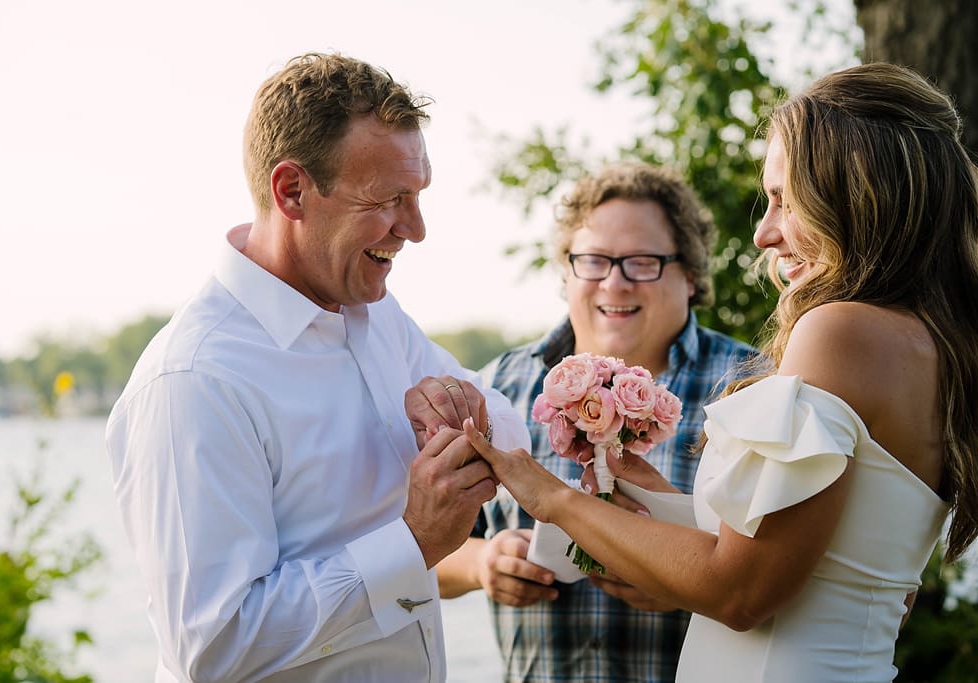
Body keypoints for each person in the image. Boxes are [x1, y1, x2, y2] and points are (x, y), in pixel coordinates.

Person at [459, 61, 978, 682]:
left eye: (785, 200)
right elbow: (823, 566)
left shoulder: (840, 331)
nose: (763, 233)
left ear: (855, 196)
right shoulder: (931, 340)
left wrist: (553, 500)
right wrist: (663, 505)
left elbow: (740, 592)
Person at [105, 52, 529, 683]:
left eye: (418, 196)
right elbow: (213, 647)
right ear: (292, 191)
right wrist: (412, 544)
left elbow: (506, 422)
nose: (415, 229)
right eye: (391, 199)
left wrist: (464, 405)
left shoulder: (375, 313)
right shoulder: (193, 382)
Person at [437, 161, 757, 682]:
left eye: (642, 262)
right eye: (592, 261)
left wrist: (685, 581)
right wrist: (483, 565)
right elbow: (424, 548)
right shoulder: (497, 389)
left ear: (691, 274)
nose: (615, 281)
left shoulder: (749, 388)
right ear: (566, 272)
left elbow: (788, 578)